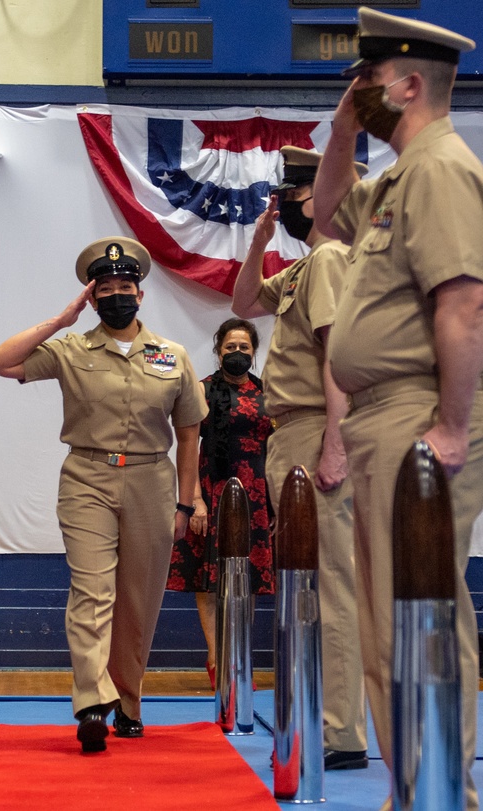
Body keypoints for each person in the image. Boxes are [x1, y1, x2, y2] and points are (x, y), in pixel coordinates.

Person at [312, 8, 483, 808]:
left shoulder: (442, 168)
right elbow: (323, 209)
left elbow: (463, 303)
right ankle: (414, 786)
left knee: (421, 614)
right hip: (384, 418)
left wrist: (450, 426)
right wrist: (346, 125)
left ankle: (445, 788)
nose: (359, 91)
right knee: (386, 625)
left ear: (410, 82)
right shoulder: (394, 180)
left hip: (419, 413)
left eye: (370, 80)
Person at [0, 237, 207, 754]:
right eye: (103, 289)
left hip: (153, 483)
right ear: (91, 297)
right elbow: (0, 362)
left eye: (124, 287)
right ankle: (91, 701)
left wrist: (186, 501)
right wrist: (60, 321)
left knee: (139, 600)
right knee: (92, 591)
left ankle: (128, 701)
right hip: (87, 479)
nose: (115, 295)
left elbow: (190, 433)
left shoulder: (171, 356)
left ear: (140, 293)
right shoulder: (70, 350)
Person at [234, 145, 369, 772]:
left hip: (316, 428)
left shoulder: (332, 259)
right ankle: (326, 714)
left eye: (290, 195)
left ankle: (342, 730)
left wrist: (337, 443)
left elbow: (335, 352)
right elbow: (243, 304)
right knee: (309, 580)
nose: (282, 204)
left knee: (332, 581)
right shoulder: (301, 266)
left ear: (321, 197)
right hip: (291, 433)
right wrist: (261, 238)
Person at [166, 318, 273, 689]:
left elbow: (275, 449)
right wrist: (194, 500)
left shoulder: (267, 394)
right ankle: (217, 658)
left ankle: (239, 656)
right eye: (231, 347)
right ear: (218, 350)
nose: (238, 354)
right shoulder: (201, 390)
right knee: (207, 580)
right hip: (209, 492)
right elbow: (188, 446)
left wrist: (273, 506)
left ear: (253, 352)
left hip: (255, 496)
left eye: (245, 348)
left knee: (249, 579)